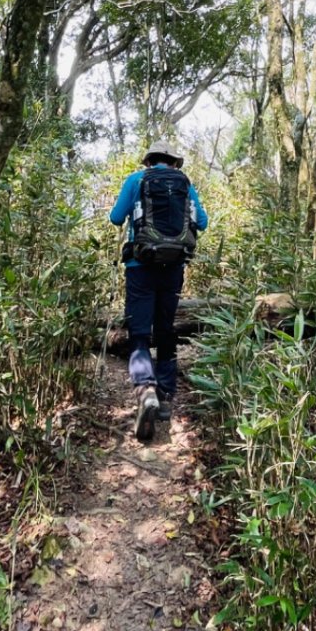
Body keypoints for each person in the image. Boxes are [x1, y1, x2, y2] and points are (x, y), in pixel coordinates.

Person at [109, 140, 208, 440]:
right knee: (165, 330)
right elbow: (201, 222)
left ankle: (145, 389)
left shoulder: (135, 180)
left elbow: (115, 217)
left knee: (139, 333)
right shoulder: (184, 183)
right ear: (173, 162)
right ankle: (164, 396)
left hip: (140, 267)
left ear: (149, 160)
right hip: (173, 268)